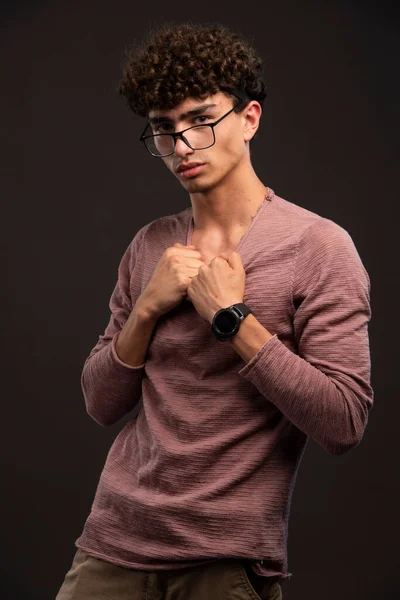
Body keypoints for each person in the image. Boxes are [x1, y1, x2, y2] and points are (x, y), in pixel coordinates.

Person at [55, 22, 374, 600]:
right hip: (111, 544)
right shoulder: (150, 245)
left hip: (224, 558)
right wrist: (146, 311)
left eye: (201, 121)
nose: (181, 147)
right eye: (163, 130)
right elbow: (101, 404)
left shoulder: (318, 247)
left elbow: (344, 420)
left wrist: (232, 318)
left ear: (249, 119)